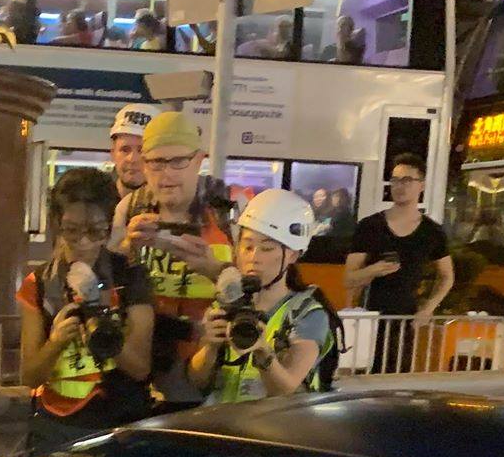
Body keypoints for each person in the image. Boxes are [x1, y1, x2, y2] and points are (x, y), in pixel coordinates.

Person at [17, 167, 154, 452]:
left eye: (95, 231)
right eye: (72, 230)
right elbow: (29, 376)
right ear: (57, 224)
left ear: (109, 225)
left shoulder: (130, 276)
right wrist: (55, 343)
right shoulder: (39, 283)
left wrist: (103, 325)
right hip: (56, 425)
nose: (84, 242)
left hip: (119, 421)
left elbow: (140, 368)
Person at [113, 110, 235, 408]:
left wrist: (215, 270)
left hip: (212, 368)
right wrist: (127, 247)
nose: (166, 175)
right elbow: (106, 285)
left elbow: (263, 288)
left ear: (199, 160)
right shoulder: (130, 207)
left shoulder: (229, 209)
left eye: (178, 161)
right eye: (156, 162)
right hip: (143, 370)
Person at [189, 188, 336, 405]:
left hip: (274, 425)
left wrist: (262, 351)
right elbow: (197, 382)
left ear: (293, 254)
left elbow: (285, 390)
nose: (254, 257)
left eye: (267, 248)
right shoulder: (224, 303)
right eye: (247, 246)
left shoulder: (306, 313)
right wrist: (210, 347)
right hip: (222, 423)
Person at [345, 152, 452, 369]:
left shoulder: (432, 232)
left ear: (421, 185)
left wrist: (428, 308)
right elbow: (348, 279)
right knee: (364, 374)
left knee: (396, 374)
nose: (399, 186)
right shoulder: (370, 226)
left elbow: (447, 276)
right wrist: (373, 270)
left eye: (407, 180)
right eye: (395, 180)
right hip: (368, 318)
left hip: (406, 320)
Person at [106, 102, 153, 199]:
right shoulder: (94, 200)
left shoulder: (174, 204)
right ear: (113, 153)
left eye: (142, 150)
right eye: (125, 150)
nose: (132, 159)